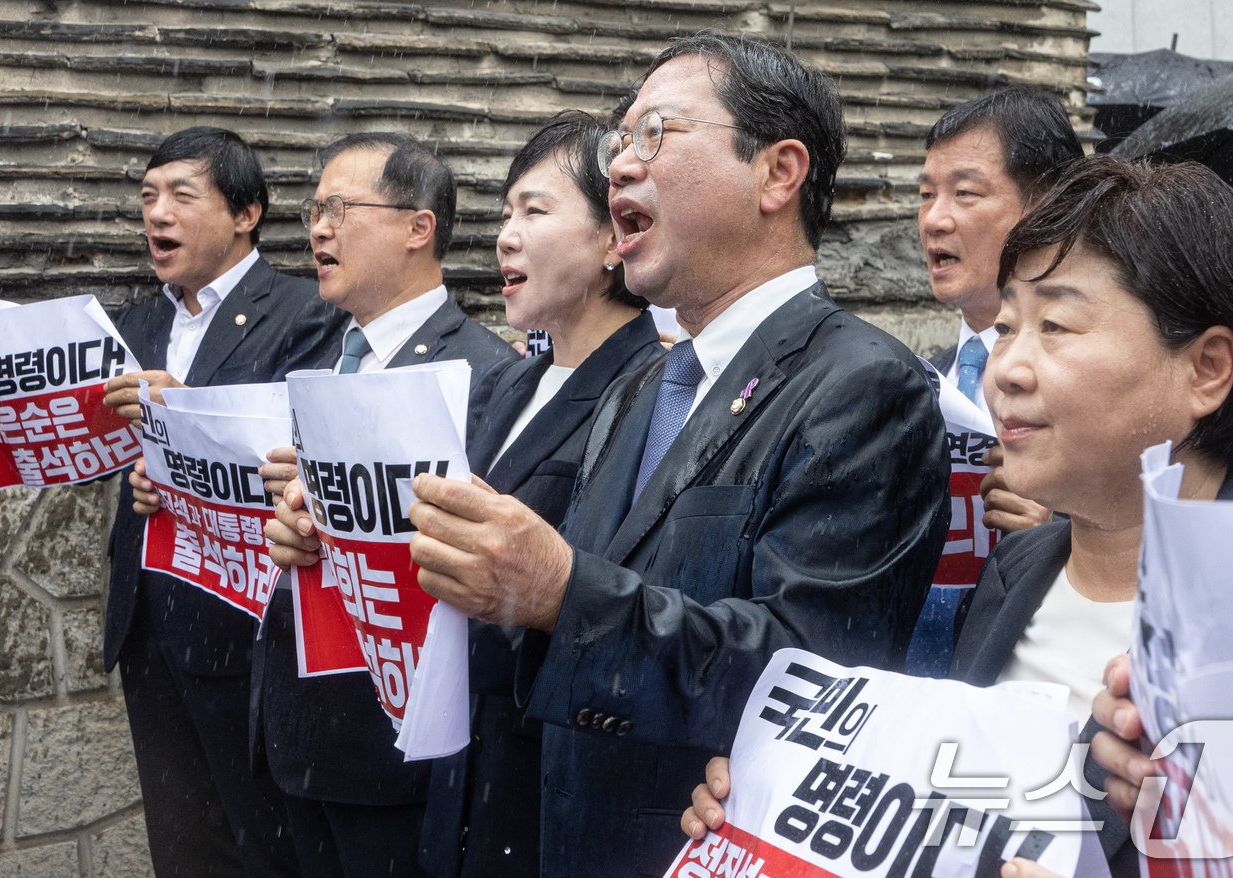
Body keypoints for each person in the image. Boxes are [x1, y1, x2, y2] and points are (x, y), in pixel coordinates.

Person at [273, 33, 950, 876]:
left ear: (778, 172)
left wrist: (561, 590)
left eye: (656, 133)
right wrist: (365, 541)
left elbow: (813, 683)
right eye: (622, 142)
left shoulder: (861, 384)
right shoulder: (645, 387)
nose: (622, 165)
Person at [681, 155, 1233, 877]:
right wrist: (769, 810)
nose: (1006, 367)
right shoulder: (1014, 569)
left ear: (1207, 369)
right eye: (1008, 325)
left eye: (1058, 326)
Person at [0, 126, 344, 876]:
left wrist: (183, 415)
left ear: (246, 212)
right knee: (183, 848)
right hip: (152, 626)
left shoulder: (305, 313)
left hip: (250, 630)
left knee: (266, 845)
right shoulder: (132, 324)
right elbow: (68, 435)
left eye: (183, 195)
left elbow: (311, 450)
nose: (158, 214)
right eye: (147, 197)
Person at [130, 132, 515, 878]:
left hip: (390, 759)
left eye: (339, 208)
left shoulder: (479, 376)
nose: (318, 229)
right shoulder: (318, 362)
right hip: (290, 735)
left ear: (418, 227)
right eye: (314, 210)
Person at [418, 110, 665, 878]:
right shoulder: (504, 381)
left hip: (553, 774)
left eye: (535, 210)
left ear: (608, 240)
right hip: (460, 764)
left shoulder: (657, 392)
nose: (505, 236)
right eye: (503, 213)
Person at [906, 87, 1084, 676]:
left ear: (1047, 206)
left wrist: (1057, 534)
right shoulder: (921, 381)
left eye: (965, 193)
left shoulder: (1102, 390)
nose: (935, 219)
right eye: (926, 195)